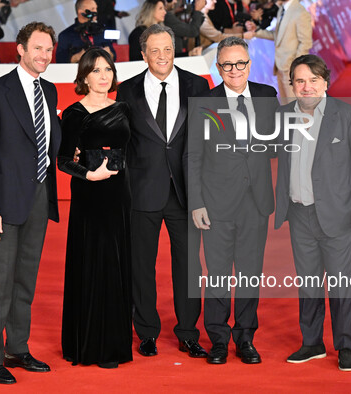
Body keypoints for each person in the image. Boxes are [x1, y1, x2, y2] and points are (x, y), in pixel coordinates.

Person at [0, 22, 60, 384]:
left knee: (25, 280)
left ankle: (16, 348)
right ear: (20, 48)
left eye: (49, 50)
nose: (44, 55)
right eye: (37, 48)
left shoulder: (50, 92)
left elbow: (48, 143)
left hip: (39, 196)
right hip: (4, 204)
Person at [274, 54, 351, 371]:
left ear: (325, 82)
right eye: (300, 81)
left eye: (313, 80)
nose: (306, 87)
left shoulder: (346, 116)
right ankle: (312, 342)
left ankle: (345, 346)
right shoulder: (282, 116)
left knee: (340, 283)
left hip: (338, 213)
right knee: (307, 283)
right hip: (298, 213)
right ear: (291, 85)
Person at [116, 24, 210, 358]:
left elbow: (208, 140)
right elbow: (122, 142)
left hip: (186, 192)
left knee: (189, 266)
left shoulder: (197, 85)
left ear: (175, 49)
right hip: (142, 190)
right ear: (143, 54)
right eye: (154, 50)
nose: (162, 56)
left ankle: (187, 332)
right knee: (141, 265)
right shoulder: (127, 91)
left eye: (167, 49)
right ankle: (146, 332)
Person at [188, 36, 278, 365]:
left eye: (240, 63)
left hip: (256, 202)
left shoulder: (267, 96)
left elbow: (279, 143)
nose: (234, 70)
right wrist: (197, 202)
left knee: (250, 272)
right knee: (218, 274)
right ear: (218, 66)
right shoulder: (204, 101)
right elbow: (193, 156)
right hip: (215, 203)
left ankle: (245, 337)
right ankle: (218, 339)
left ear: (249, 64)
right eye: (227, 64)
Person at [58, 48, 132, 369]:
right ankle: (89, 344)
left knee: (116, 264)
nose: (104, 76)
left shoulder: (124, 108)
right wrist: (89, 173)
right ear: (84, 76)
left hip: (119, 194)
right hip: (89, 195)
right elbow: (62, 160)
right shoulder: (74, 113)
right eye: (97, 71)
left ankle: (114, 343)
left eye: (108, 70)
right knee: (92, 262)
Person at [253, 0, 312, 101]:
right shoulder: (282, 10)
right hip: (280, 67)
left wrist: (295, 67)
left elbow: (306, 43)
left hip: (291, 68)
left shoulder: (300, 11)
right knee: (287, 106)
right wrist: (256, 31)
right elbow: (277, 36)